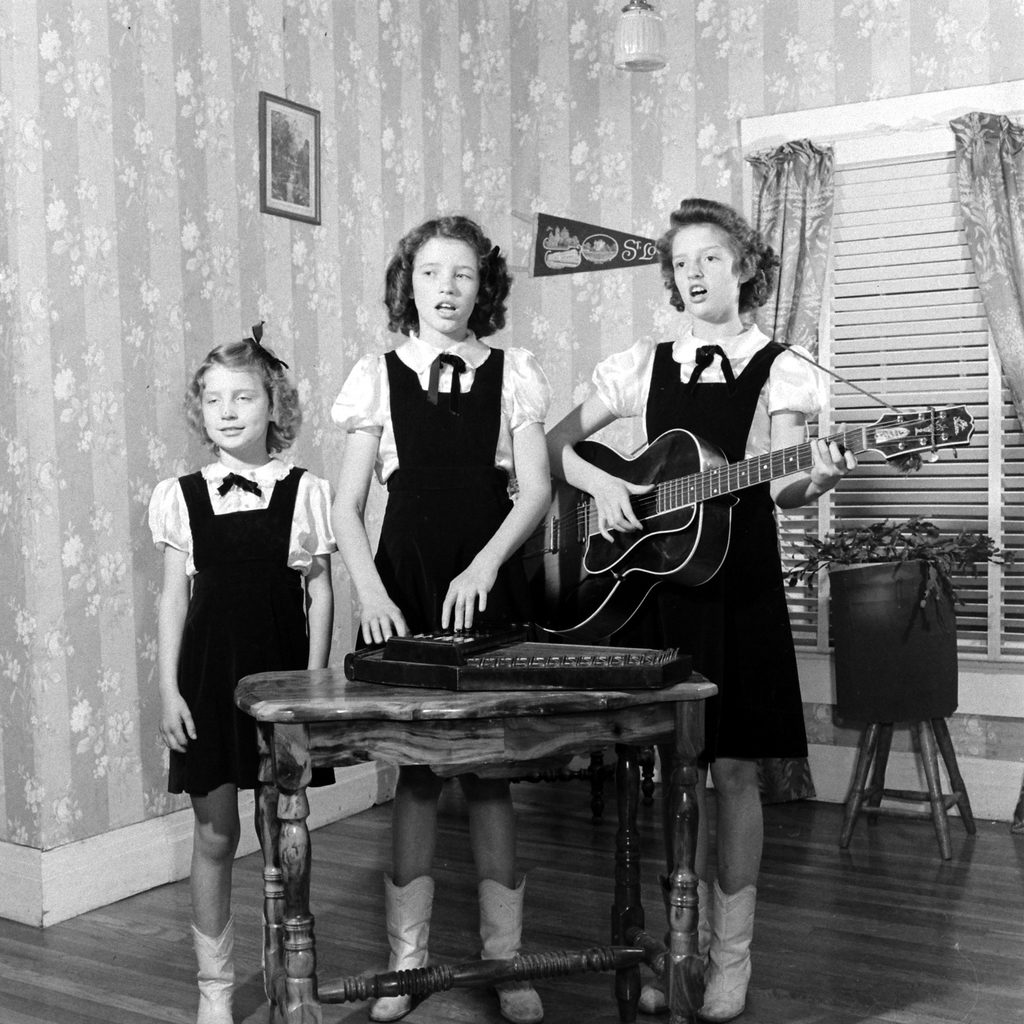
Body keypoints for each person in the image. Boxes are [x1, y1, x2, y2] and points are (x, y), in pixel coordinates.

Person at [545, 198, 856, 1023]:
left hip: (740, 580)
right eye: (682, 262)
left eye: (711, 257)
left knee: (736, 771)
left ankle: (729, 958)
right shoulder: (640, 365)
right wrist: (604, 482)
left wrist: (815, 476)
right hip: (660, 583)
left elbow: (785, 484)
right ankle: (673, 951)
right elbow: (555, 449)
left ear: (744, 266)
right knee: (670, 770)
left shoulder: (779, 363)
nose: (695, 273)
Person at [331, 215, 551, 1024]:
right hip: (407, 583)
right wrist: (374, 594)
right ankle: (408, 962)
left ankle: (506, 960)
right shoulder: (377, 374)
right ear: (409, 283)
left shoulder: (514, 372)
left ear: (482, 286)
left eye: (462, 274)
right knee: (416, 775)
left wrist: (488, 565)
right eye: (431, 273)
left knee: (491, 774)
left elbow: (534, 491)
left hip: (485, 577)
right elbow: (349, 507)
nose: (447, 288)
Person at [150, 328, 336, 1024]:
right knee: (216, 834)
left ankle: (292, 969)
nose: (228, 410)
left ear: (273, 403)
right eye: (214, 398)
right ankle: (215, 989)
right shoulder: (180, 496)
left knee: (283, 825)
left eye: (245, 396)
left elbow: (320, 593)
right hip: (205, 679)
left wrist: (314, 688)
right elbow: (174, 599)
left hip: (281, 686)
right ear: (201, 410)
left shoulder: (306, 491)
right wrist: (168, 688)